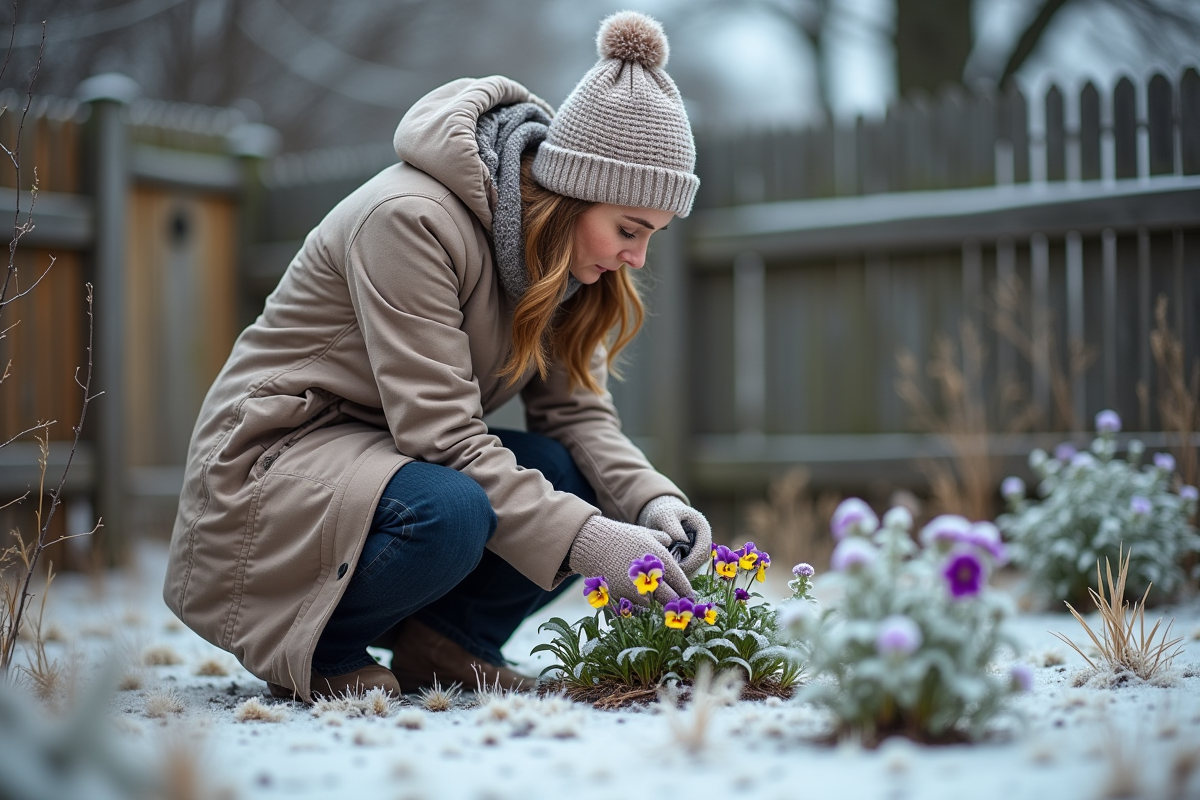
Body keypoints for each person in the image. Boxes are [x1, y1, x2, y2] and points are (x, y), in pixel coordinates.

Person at [163, 10, 713, 702]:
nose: (637, 256)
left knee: (569, 474)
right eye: (629, 229)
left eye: (652, 235)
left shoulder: (565, 263)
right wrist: (592, 541)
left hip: (381, 460)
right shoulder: (409, 220)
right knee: (452, 510)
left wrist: (651, 503)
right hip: (271, 469)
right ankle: (320, 650)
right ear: (570, 192)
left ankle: (447, 645)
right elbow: (444, 440)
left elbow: (578, 417)